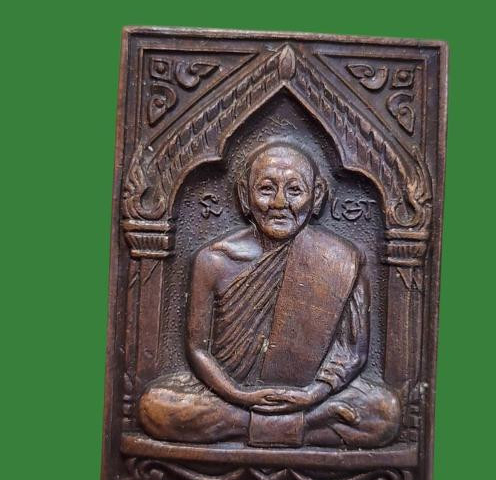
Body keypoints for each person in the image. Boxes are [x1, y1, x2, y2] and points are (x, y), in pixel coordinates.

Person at [139, 142, 400, 448]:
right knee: (155, 405)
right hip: (229, 396)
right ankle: (304, 427)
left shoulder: (342, 258)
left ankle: (247, 427)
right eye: (266, 189)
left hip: (313, 397)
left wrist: (313, 394)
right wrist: (240, 395)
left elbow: (352, 351)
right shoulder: (213, 260)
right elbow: (198, 350)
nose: (279, 203)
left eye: (294, 190)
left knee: (385, 411)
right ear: (244, 195)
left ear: (316, 196)